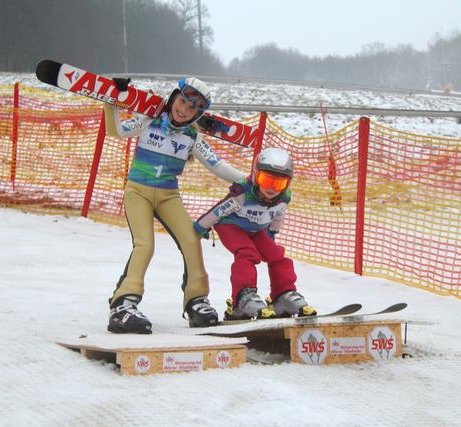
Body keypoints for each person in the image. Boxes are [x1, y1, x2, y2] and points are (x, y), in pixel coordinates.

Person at [104, 77, 245, 333]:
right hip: (139, 192)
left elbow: (217, 165)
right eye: (182, 101)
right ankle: (123, 303)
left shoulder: (192, 137)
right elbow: (117, 131)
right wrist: (111, 102)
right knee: (145, 244)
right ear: (173, 98)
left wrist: (250, 182)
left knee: (191, 239)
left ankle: (196, 300)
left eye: (193, 108)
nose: (184, 110)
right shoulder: (149, 121)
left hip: (169, 194)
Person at [193, 147, 316, 320]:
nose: (272, 188)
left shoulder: (283, 198)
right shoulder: (243, 193)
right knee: (247, 253)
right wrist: (200, 227)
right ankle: (243, 298)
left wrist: (272, 232)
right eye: (266, 180)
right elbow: (219, 210)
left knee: (277, 255)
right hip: (231, 225)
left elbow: (279, 214)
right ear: (256, 174)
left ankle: (283, 295)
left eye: (279, 183)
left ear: (287, 183)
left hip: (256, 229)